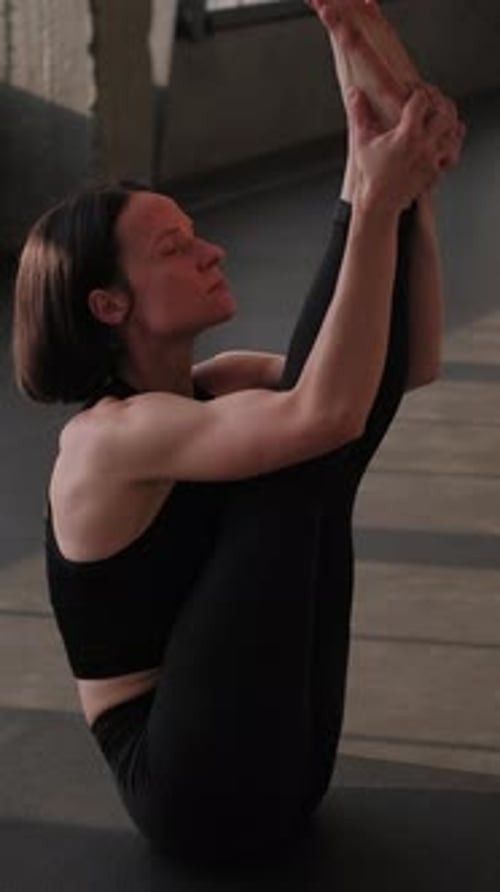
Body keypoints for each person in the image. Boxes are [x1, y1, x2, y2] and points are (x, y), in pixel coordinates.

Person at [12, 9, 464, 863]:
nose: (212, 252)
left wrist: (410, 197)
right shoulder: (108, 441)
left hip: (284, 752)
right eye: (176, 248)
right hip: (188, 781)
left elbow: (403, 367)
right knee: (299, 447)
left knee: (316, 417)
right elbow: (325, 417)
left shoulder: (210, 388)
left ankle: (353, 59)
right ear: (109, 305)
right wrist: (374, 200)